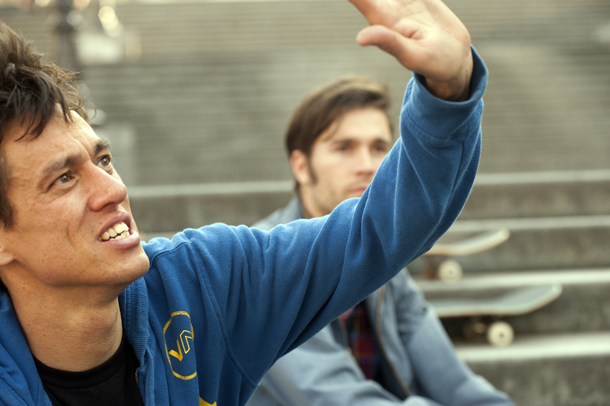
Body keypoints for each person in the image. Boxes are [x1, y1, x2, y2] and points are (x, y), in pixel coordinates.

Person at [0, 0, 487, 404]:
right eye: (64, 179)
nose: (113, 190)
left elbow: (379, 230)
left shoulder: (206, 284)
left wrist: (448, 91)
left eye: (103, 161)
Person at [247, 75, 513, 406]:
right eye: (344, 148)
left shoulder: (384, 260)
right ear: (301, 167)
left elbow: (457, 385)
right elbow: (335, 399)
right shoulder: (266, 266)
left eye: (379, 148)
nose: (367, 166)